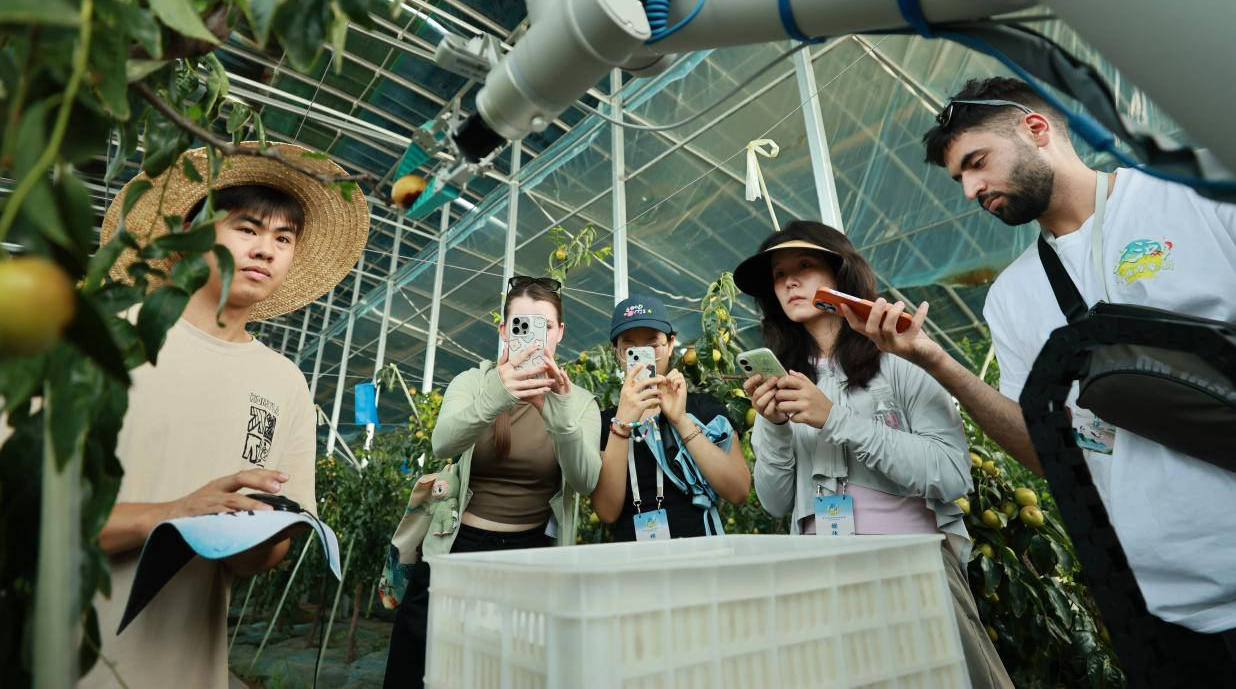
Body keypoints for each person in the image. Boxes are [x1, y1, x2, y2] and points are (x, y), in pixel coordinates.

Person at [914, 76, 1236, 665]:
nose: (970, 190)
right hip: (1161, 604)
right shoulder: (1011, 297)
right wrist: (934, 359)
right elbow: (1048, 451)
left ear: (1036, 129)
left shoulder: (1194, 196)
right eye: (959, 178)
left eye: (977, 163)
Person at [81, 145, 370, 689]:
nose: (266, 250)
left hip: (189, 664)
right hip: (65, 649)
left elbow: (259, 558)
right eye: (247, 228)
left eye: (284, 238)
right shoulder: (110, 340)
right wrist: (170, 515)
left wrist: (264, 532)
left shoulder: (284, 383)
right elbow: (22, 511)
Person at [735, 221, 1011, 689]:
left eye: (805, 265)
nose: (790, 281)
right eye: (779, 275)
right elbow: (776, 503)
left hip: (910, 567)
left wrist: (835, 419)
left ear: (841, 274)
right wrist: (776, 428)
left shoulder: (901, 357)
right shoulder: (784, 380)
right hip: (820, 579)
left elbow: (951, 474)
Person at [384, 276, 602, 689]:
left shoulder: (577, 401)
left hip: (531, 554)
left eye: (544, 326)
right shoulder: (474, 382)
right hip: (456, 547)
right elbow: (443, 441)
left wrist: (557, 413)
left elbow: (586, 479)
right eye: (521, 325)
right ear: (504, 330)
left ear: (559, 332)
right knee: (420, 665)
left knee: (509, 673)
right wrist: (499, 394)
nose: (533, 336)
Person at [592, 294, 750, 540]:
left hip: (700, 552)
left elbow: (738, 490)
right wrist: (622, 424)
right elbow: (606, 512)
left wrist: (680, 420)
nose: (642, 356)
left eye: (652, 345)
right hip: (633, 556)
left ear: (670, 344)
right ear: (618, 352)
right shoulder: (605, 423)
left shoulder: (703, 408)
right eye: (631, 348)